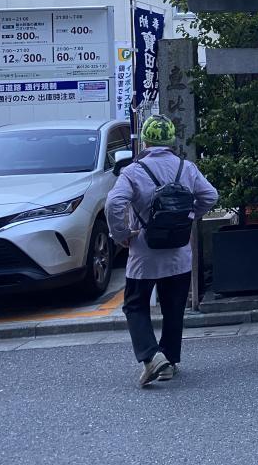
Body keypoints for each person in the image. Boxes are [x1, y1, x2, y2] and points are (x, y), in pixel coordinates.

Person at [106, 115, 219, 387]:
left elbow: (113, 204)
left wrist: (122, 235)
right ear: (171, 141)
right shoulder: (187, 168)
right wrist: (189, 217)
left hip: (144, 251)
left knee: (135, 305)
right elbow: (211, 196)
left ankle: (152, 356)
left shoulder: (134, 171)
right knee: (173, 307)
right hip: (179, 252)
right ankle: (168, 361)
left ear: (145, 141)